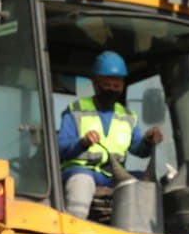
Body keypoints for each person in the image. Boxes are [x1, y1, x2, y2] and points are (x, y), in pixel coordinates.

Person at [56, 50, 163, 219]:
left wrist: (148, 141)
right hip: (82, 171)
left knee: (147, 185)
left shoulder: (127, 116)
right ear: (95, 84)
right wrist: (82, 142)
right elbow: (60, 147)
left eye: (117, 86)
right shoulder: (76, 110)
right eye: (107, 85)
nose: (112, 90)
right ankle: (75, 230)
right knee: (81, 183)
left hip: (114, 175)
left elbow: (138, 149)